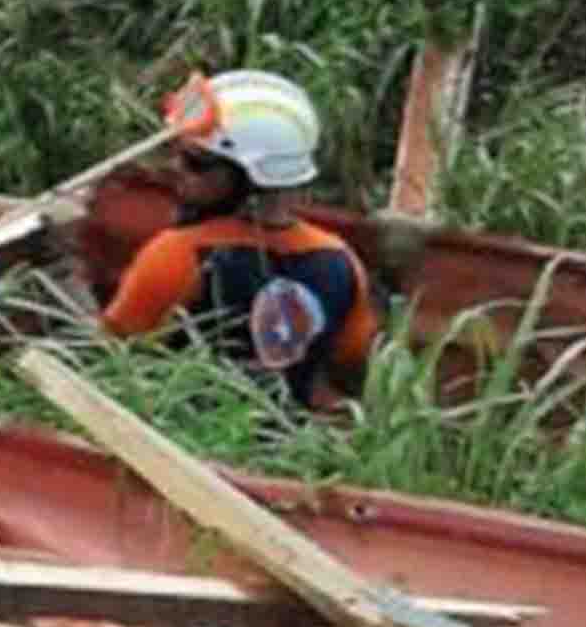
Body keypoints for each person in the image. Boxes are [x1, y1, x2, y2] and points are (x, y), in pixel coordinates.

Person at [100, 70, 382, 409]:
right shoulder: (341, 262)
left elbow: (107, 358)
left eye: (195, 163)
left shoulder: (178, 255)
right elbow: (350, 359)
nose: (175, 167)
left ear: (249, 178)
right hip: (288, 448)